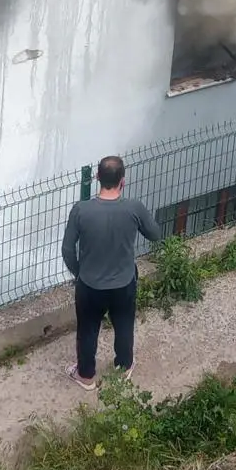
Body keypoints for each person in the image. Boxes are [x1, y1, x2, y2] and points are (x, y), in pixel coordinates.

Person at [61, 155, 162, 389]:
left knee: (87, 331)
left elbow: (67, 249)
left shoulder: (81, 210)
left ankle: (86, 376)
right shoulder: (133, 208)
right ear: (123, 181)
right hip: (124, 282)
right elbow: (155, 234)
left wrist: (80, 272)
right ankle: (123, 366)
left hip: (90, 285)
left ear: (97, 178)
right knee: (124, 325)